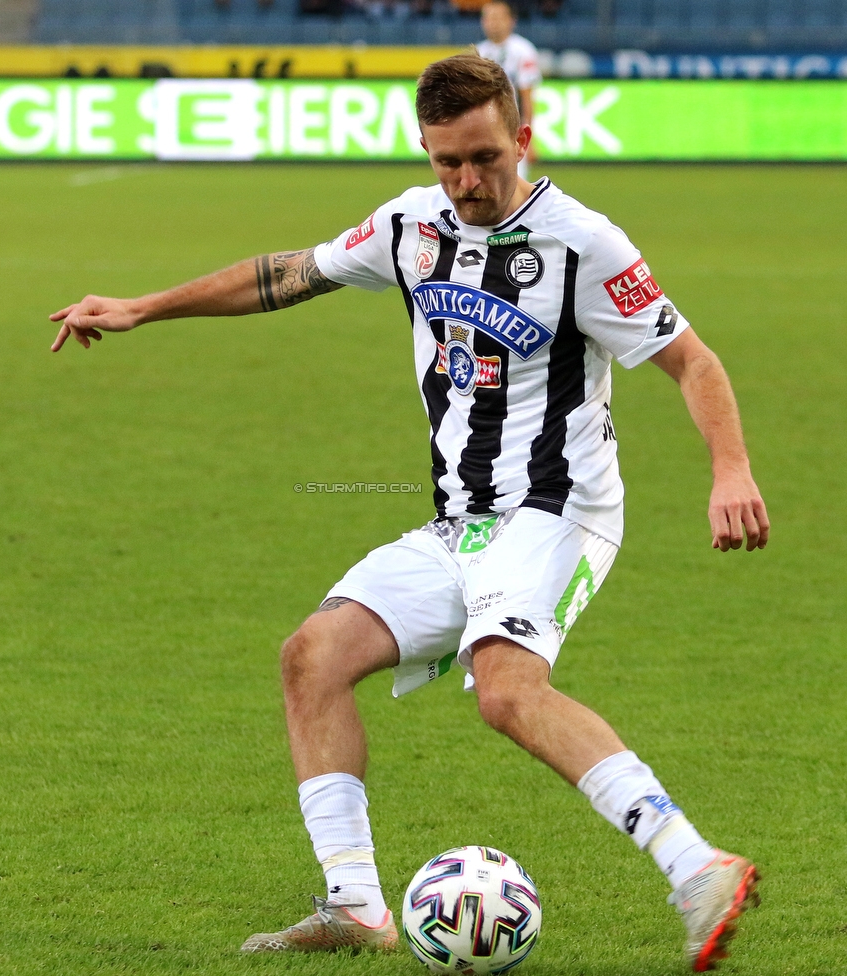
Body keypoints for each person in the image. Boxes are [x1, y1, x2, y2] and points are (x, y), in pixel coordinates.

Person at [50, 54, 767, 972]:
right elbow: (283, 275)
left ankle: (695, 865)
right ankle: (355, 905)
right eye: (445, 162)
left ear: (523, 137)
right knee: (312, 656)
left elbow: (692, 361)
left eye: (483, 157)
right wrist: (143, 308)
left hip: (558, 510)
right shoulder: (410, 226)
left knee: (506, 690)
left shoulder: (584, 245)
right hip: (459, 522)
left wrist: (731, 469)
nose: (467, 183)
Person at [476, 0, 541, 179]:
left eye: (497, 17)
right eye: (487, 18)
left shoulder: (523, 50)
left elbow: (526, 96)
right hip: (483, 131)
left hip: (511, 131)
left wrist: (531, 138)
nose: (492, 23)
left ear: (511, 20)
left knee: (513, 186)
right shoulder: (479, 52)